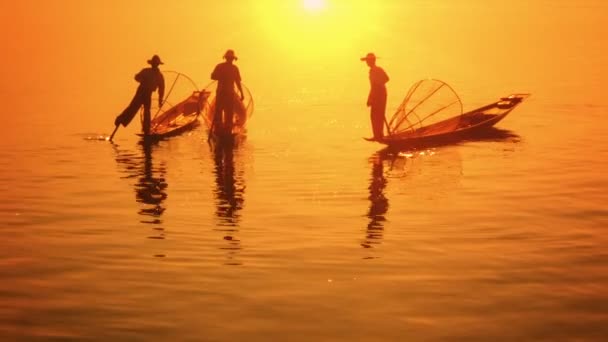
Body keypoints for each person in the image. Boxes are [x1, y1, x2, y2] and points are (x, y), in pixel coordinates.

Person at [114, 55, 165, 136]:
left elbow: (161, 89)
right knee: (133, 107)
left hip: (148, 94)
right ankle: (120, 119)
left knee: (147, 111)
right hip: (141, 92)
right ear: (153, 64)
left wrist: (160, 100)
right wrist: (142, 80)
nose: (155, 65)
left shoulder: (159, 75)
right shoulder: (146, 71)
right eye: (154, 64)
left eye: (156, 64)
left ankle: (146, 129)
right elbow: (136, 77)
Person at [211, 49, 244, 136]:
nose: (230, 60)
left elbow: (237, 82)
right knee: (224, 110)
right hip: (226, 93)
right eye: (230, 58)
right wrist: (241, 93)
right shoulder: (231, 68)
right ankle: (223, 129)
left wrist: (241, 92)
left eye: (231, 58)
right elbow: (213, 76)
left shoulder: (229, 68)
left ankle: (224, 129)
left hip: (225, 93)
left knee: (224, 110)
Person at [361, 52, 389, 140]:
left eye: (368, 61)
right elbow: (373, 86)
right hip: (377, 93)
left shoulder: (377, 69)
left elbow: (386, 78)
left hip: (380, 94)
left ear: (372, 61)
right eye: (367, 61)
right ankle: (378, 135)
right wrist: (370, 98)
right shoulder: (372, 71)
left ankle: (379, 135)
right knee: (375, 114)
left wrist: (379, 83)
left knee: (377, 114)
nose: (367, 62)